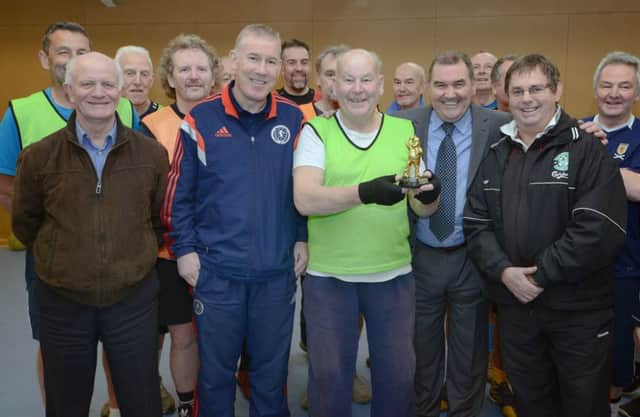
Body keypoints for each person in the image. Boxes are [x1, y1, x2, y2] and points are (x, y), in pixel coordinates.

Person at [464, 53, 627, 417]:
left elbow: (598, 229)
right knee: (531, 401)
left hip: (578, 312)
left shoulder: (587, 149)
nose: (527, 98)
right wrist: (505, 272)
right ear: (506, 96)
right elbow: (475, 222)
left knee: (583, 405)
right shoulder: (496, 151)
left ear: (557, 91)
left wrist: (539, 275)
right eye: (518, 90)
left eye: (536, 88)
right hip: (516, 309)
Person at [12, 51, 169, 417]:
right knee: (66, 404)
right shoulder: (39, 158)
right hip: (62, 304)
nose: (98, 92)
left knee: (141, 401)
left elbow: (159, 219)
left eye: (107, 84)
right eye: (87, 83)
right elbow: (26, 224)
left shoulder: (151, 155)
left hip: (133, 301)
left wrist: (132, 257)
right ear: (69, 89)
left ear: (120, 91)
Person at [162, 24, 307, 417]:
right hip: (216, 272)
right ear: (234, 60)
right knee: (215, 376)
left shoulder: (294, 121)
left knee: (271, 373)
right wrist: (185, 249)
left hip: (275, 274)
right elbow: (179, 194)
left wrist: (301, 237)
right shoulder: (200, 120)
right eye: (253, 58)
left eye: (270, 60)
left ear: (279, 67)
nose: (261, 69)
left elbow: (304, 189)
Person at [293, 48, 441, 417]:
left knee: (398, 378)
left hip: (392, 274)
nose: (357, 89)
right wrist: (364, 193)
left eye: (365, 80)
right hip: (329, 277)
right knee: (328, 378)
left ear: (379, 85)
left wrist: (432, 195)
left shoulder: (405, 131)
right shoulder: (316, 131)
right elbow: (305, 199)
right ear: (333, 85)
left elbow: (420, 207)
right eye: (347, 80)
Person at [0, 21, 137, 412]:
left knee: (120, 345)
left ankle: (114, 406)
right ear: (45, 58)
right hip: (51, 264)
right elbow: (6, 184)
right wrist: (51, 234)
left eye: (82, 51)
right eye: (64, 51)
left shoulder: (123, 108)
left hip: (118, 259)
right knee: (55, 344)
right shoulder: (21, 112)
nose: (73, 59)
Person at [395, 50, 511, 417]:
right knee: (421, 350)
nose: (450, 94)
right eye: (441, 85)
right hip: (420, 255)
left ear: (473, 85)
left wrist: (589, 131)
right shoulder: (403, 125)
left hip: (472, 256)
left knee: (469, 351)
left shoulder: (499, 124)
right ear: (428, 88)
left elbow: (547, 126)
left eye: (459, 83)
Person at [141, 33, 218, 417]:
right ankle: (189, 405)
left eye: (201, 68)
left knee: (220, 337)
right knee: (183, 335)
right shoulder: (150, 126)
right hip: (170, 253)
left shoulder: (229, 121)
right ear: (169, 78)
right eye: (183, 69)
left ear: (213, 75)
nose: (193, 76)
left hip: (221, 251)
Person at [296, 44, 372, 410]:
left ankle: (347, 371)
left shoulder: (372, 119)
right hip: (305, 235)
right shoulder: (300, 121)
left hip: (356, 242)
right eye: (329, 74)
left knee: (351, 314)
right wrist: (299, 236)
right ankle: (322, 376)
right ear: (324, 81)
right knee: (317, 319)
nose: (339, 83)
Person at [583, 51, 640, 417]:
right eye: (607, 85)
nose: (614, 93)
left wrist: (593, 161)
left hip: (627, 260)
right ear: (595, 89)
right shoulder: (578, 129)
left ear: (636, 92)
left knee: (619, 342)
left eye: (625, 86)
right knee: (581, 342)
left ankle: (615, 399)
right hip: (579, 261)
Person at [115, 45, 161, 118]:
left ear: (151, 81)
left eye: (144, 74)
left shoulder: (167, 118)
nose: (138, 82)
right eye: (130, 73)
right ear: (116, 78)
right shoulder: (105, 115)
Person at [277, 38, 318, 104]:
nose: (299, 68)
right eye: (291, 62)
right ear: (281, 68)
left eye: (304, 62)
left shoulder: (323, 101)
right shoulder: (271, 102)